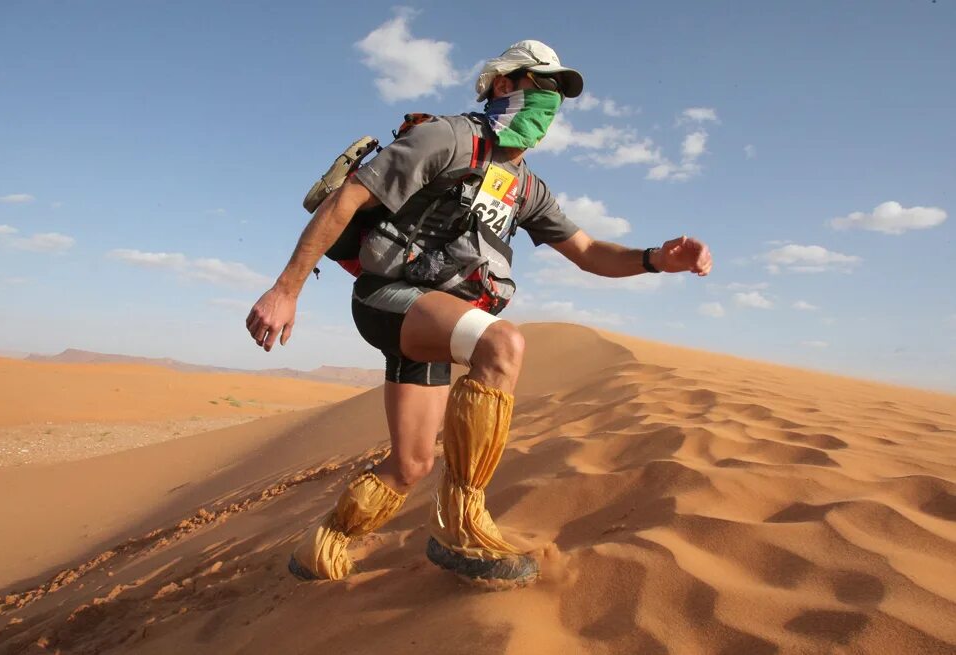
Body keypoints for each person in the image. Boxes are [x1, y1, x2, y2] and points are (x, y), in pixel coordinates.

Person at [246, 40, 713, 586]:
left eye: (557, 95)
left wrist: (656, 259)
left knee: (411, 465)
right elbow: (347, 199)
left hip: (437, 319)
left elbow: (587, 253)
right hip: (388, 296)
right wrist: (285, 290)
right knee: (501, 344)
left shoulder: (527, 188)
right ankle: (460, 525)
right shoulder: (448, 138)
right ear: (501, 84)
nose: (549, 103)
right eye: (540, 86)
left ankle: (319, 550)